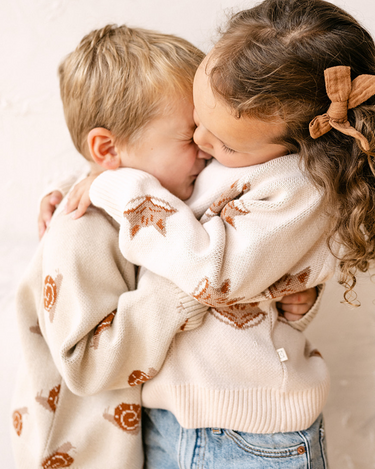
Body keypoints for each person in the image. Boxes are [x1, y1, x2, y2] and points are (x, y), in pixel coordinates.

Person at [62, 0, 375, 467]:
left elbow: (209, 270)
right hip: (170, 416)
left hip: (255, 434)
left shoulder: (298, 188)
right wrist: (71, 185)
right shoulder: (235, 152)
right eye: (196, 122)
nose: (201, 145)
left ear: (296, 150)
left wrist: (114, 185)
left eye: (221, 141)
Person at [11, 25, 214, 469]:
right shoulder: (81, 230)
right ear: (107, 148)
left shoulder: (158, 200)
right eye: (191, 135)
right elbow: (85, 364)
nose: (208, 149)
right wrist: (189, 289)